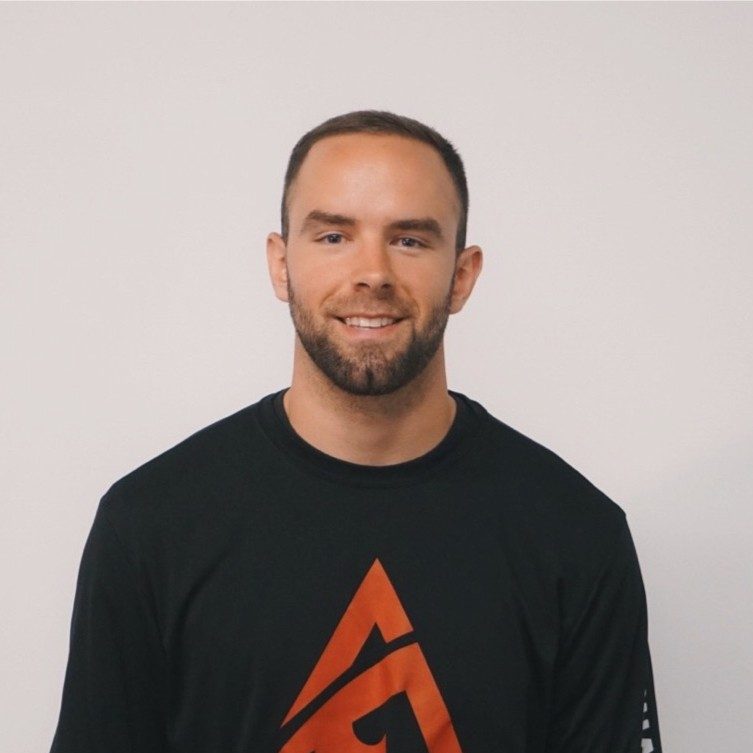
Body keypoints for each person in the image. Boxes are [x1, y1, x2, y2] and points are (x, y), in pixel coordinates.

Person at [50, 111, 662, 753]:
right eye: (334, 236)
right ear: (281, 265)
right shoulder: (151, 526)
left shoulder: (576, 536)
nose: (373, 272)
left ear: (462, 276)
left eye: (410, 240)